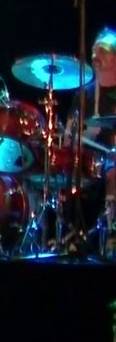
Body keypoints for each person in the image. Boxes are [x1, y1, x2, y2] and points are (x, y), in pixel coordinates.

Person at [63, 26, 116, 247]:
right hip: (86, 162)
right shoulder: (83, 94)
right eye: (93, 51)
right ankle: (69, 235)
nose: (95, 56)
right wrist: (79, 135)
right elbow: (68, 137)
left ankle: (111, 231)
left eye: (102, 51)